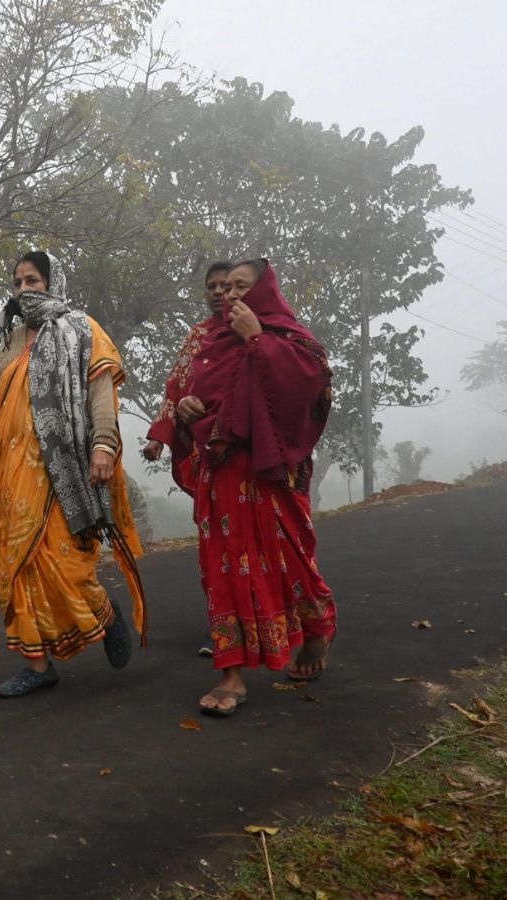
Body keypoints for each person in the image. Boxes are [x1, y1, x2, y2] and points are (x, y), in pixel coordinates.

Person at [0, 251, 147, 698]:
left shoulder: (81, 330)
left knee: (62, 560)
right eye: (18, 282)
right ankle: (36, 663)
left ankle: (103, 613)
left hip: (60, 467)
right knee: (17, 562)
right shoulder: (11, 339)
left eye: (33, 280)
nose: (25, 289)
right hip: (11, 469)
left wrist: (104, 446)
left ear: (53, 283)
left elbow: (100, 392)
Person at [177, 259, 337, 717]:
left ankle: (317, 628)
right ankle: (231, 673)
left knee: (288, 560)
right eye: (225, 289)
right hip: (221, 472)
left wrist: (257, 339)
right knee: (223, 567)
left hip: (269, 475)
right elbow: (200, 396)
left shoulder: (291, 339)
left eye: (241, 287)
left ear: (265, 291)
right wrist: (189, 410)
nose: (231, 297)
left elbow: (309, 388)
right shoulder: (211, 341)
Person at [142, 261, 233, 659]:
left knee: (247, 543)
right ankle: (224, 629)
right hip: (205, 460)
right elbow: (175, 387)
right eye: (211, 286)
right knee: (213, 543)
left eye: (226, 286)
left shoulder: (258, 333)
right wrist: (160, 438)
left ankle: (268, 623)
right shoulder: (197, 337)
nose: (218, 292)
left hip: (245, 459)